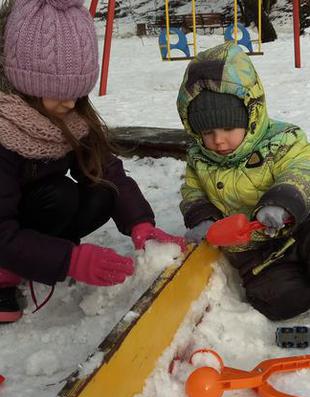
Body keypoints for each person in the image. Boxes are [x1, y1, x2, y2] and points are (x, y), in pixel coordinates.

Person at [0, 0, 185, 323]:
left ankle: (43, 254)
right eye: (59, 91)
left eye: (78, 91)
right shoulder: (4, 129)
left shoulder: (71, 115)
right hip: (6, 230)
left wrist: (140, 222)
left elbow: (106, 169)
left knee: (103, 191)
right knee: (58, 194)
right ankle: (6, 273)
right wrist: (71, 260)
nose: (71, 102)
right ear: (27, 84)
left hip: (33, 217)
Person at [177, 41, 310, 321]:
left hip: (299, 227)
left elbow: (302, 169)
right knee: (279, 300)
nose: (218, 140)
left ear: (251, 116)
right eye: (208, 131)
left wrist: (283, 202)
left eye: (228, 127)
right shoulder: (200, 159)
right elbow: (192, 192)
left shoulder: (282, 141)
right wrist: (203, 219)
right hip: (254, 252)